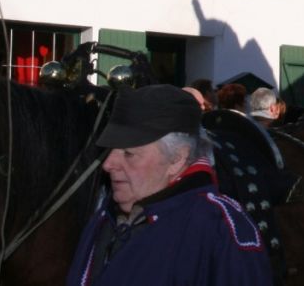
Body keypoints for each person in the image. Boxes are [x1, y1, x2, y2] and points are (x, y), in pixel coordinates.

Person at [66, 85, 273, 285]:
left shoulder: (220, 231)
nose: (108, 164)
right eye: (110, 150)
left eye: (129, 153)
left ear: (177, 159)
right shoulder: (103, 218)